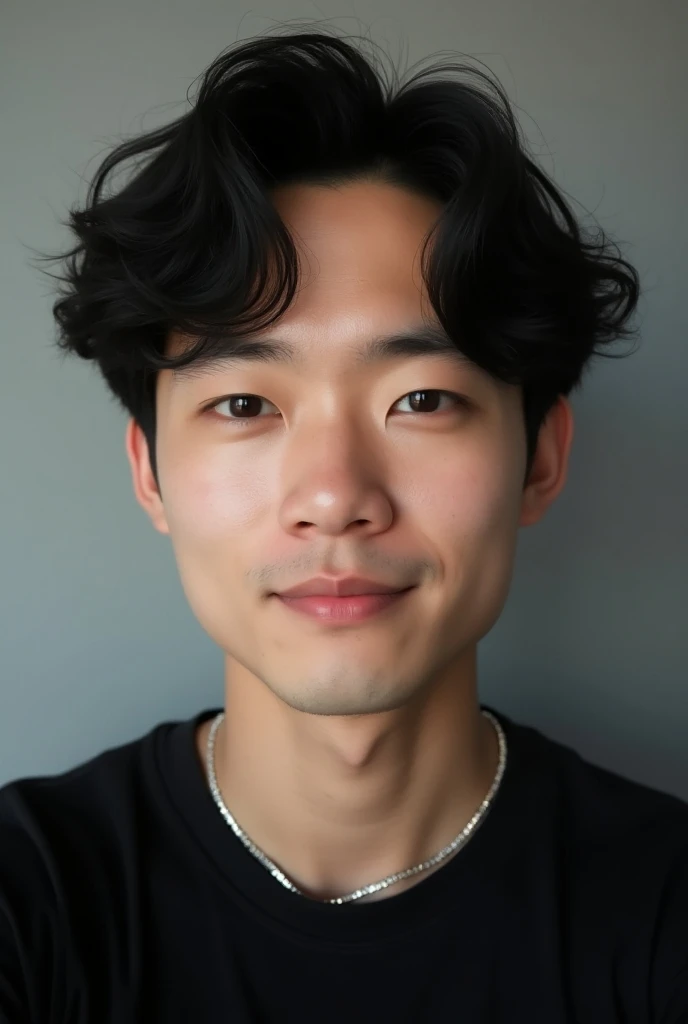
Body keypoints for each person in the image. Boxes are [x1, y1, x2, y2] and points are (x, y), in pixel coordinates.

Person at [1, 26, 686, 1024]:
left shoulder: (661, 907)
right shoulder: (34, 900)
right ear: (150, 473)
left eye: (419, 400)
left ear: (539, 456)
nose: (333, 494)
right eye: (244, 405)